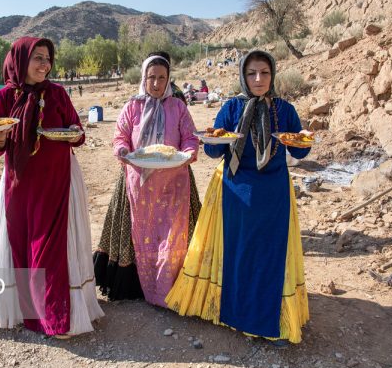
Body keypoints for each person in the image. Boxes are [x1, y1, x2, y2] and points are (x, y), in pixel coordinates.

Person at [165, 50, 312, 346]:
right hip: (236, 192)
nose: (258, 79)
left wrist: (304, 138)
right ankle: (237, 315)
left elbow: (298, 151)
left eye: (265, 73)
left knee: (270, 255)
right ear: (243, 76)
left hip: (273, 195)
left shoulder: (285, 110)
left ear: (273, 75)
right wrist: (216, 140)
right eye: (251, 73)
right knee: (240, 254)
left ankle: (272, 323)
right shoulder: (232, 107)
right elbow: (213, 151)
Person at [0, 36, 103, 337]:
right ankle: (25, 310)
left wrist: (73, 135)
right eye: (38, 58)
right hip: (19, 186)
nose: (45, 64)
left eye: (48, 58)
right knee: (22, 245)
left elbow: (78, 132)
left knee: (50, 249)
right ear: (21, 60)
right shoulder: (4, 98)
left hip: (58, 182)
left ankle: (55, 318)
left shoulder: (57, 93)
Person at [94, 53, 200, 307]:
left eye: (161, 78)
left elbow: (190, 136)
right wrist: (121, 150)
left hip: (173, 183)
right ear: (144, 78)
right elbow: (120, 136)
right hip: (137, 182)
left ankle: (170, 287)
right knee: (141, 233)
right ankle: (138, 287)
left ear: (168, 80)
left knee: (172, 234)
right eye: (151, 77)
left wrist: (188, 152)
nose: (155, 83)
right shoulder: (132, 106)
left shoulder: (178, 107)